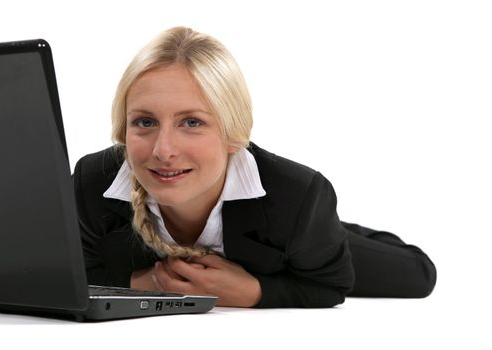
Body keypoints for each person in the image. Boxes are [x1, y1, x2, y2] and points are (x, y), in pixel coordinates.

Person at [72, 26, 437, 308]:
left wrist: (254, 291)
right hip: (280, 227)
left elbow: (330, 283)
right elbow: (69, 272)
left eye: (192, 122)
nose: (163, 150)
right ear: (123, 129)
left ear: (233, 134)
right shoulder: (90, 183)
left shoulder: (297, 198)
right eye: (145, 122)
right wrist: (146, 283)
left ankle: (334, 228)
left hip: (290, 233)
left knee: (416, 277)